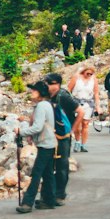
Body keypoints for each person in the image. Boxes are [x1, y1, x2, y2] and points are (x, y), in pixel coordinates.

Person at [16, 81, 58, 212]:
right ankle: (49, 200)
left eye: (34, 91)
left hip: (46, 144)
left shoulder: (41, 106)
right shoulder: (47, 104)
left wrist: (21, 132)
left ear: (40, 93)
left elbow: (38, 126)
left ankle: (27, 203)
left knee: (37, 173)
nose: (32, 93)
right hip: (50, 143)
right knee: (48, 173)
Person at [43, 72, 79, 202]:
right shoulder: (48, 97)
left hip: (63, 135)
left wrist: (72, 130)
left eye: (50, 84)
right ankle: (50, 194)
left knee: (62, 166)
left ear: (57, 84)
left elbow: (80, 112)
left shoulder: (63, 96)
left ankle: (59, 194)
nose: (48, 86)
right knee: (49, 165)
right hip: (50, 135)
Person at [68, 63, 99, 151]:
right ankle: (77, 141)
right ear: (83, 72)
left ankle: (83, 144)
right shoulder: (76, 78)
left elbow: (96, 93)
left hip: (88, 103)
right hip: (76, 102)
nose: (89, 75)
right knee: (77, 124)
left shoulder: (93, 80)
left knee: (85, 124)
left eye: (91, 74)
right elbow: (69, 89)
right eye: (87, 73)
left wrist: (98, 106)